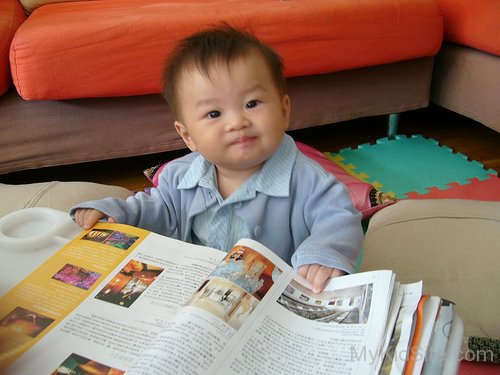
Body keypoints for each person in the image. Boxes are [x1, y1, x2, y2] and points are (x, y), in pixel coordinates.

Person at [70, 24, 363, 293]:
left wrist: (323, 254)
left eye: (252, 103)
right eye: (214, 114)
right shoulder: (180, 177)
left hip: (268, 300)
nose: (237, 121)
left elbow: (339, 219)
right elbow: (154, 208)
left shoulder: (310, 181)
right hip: (196, 291)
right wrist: (116, 214)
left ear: (284, 110)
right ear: (188, 136)